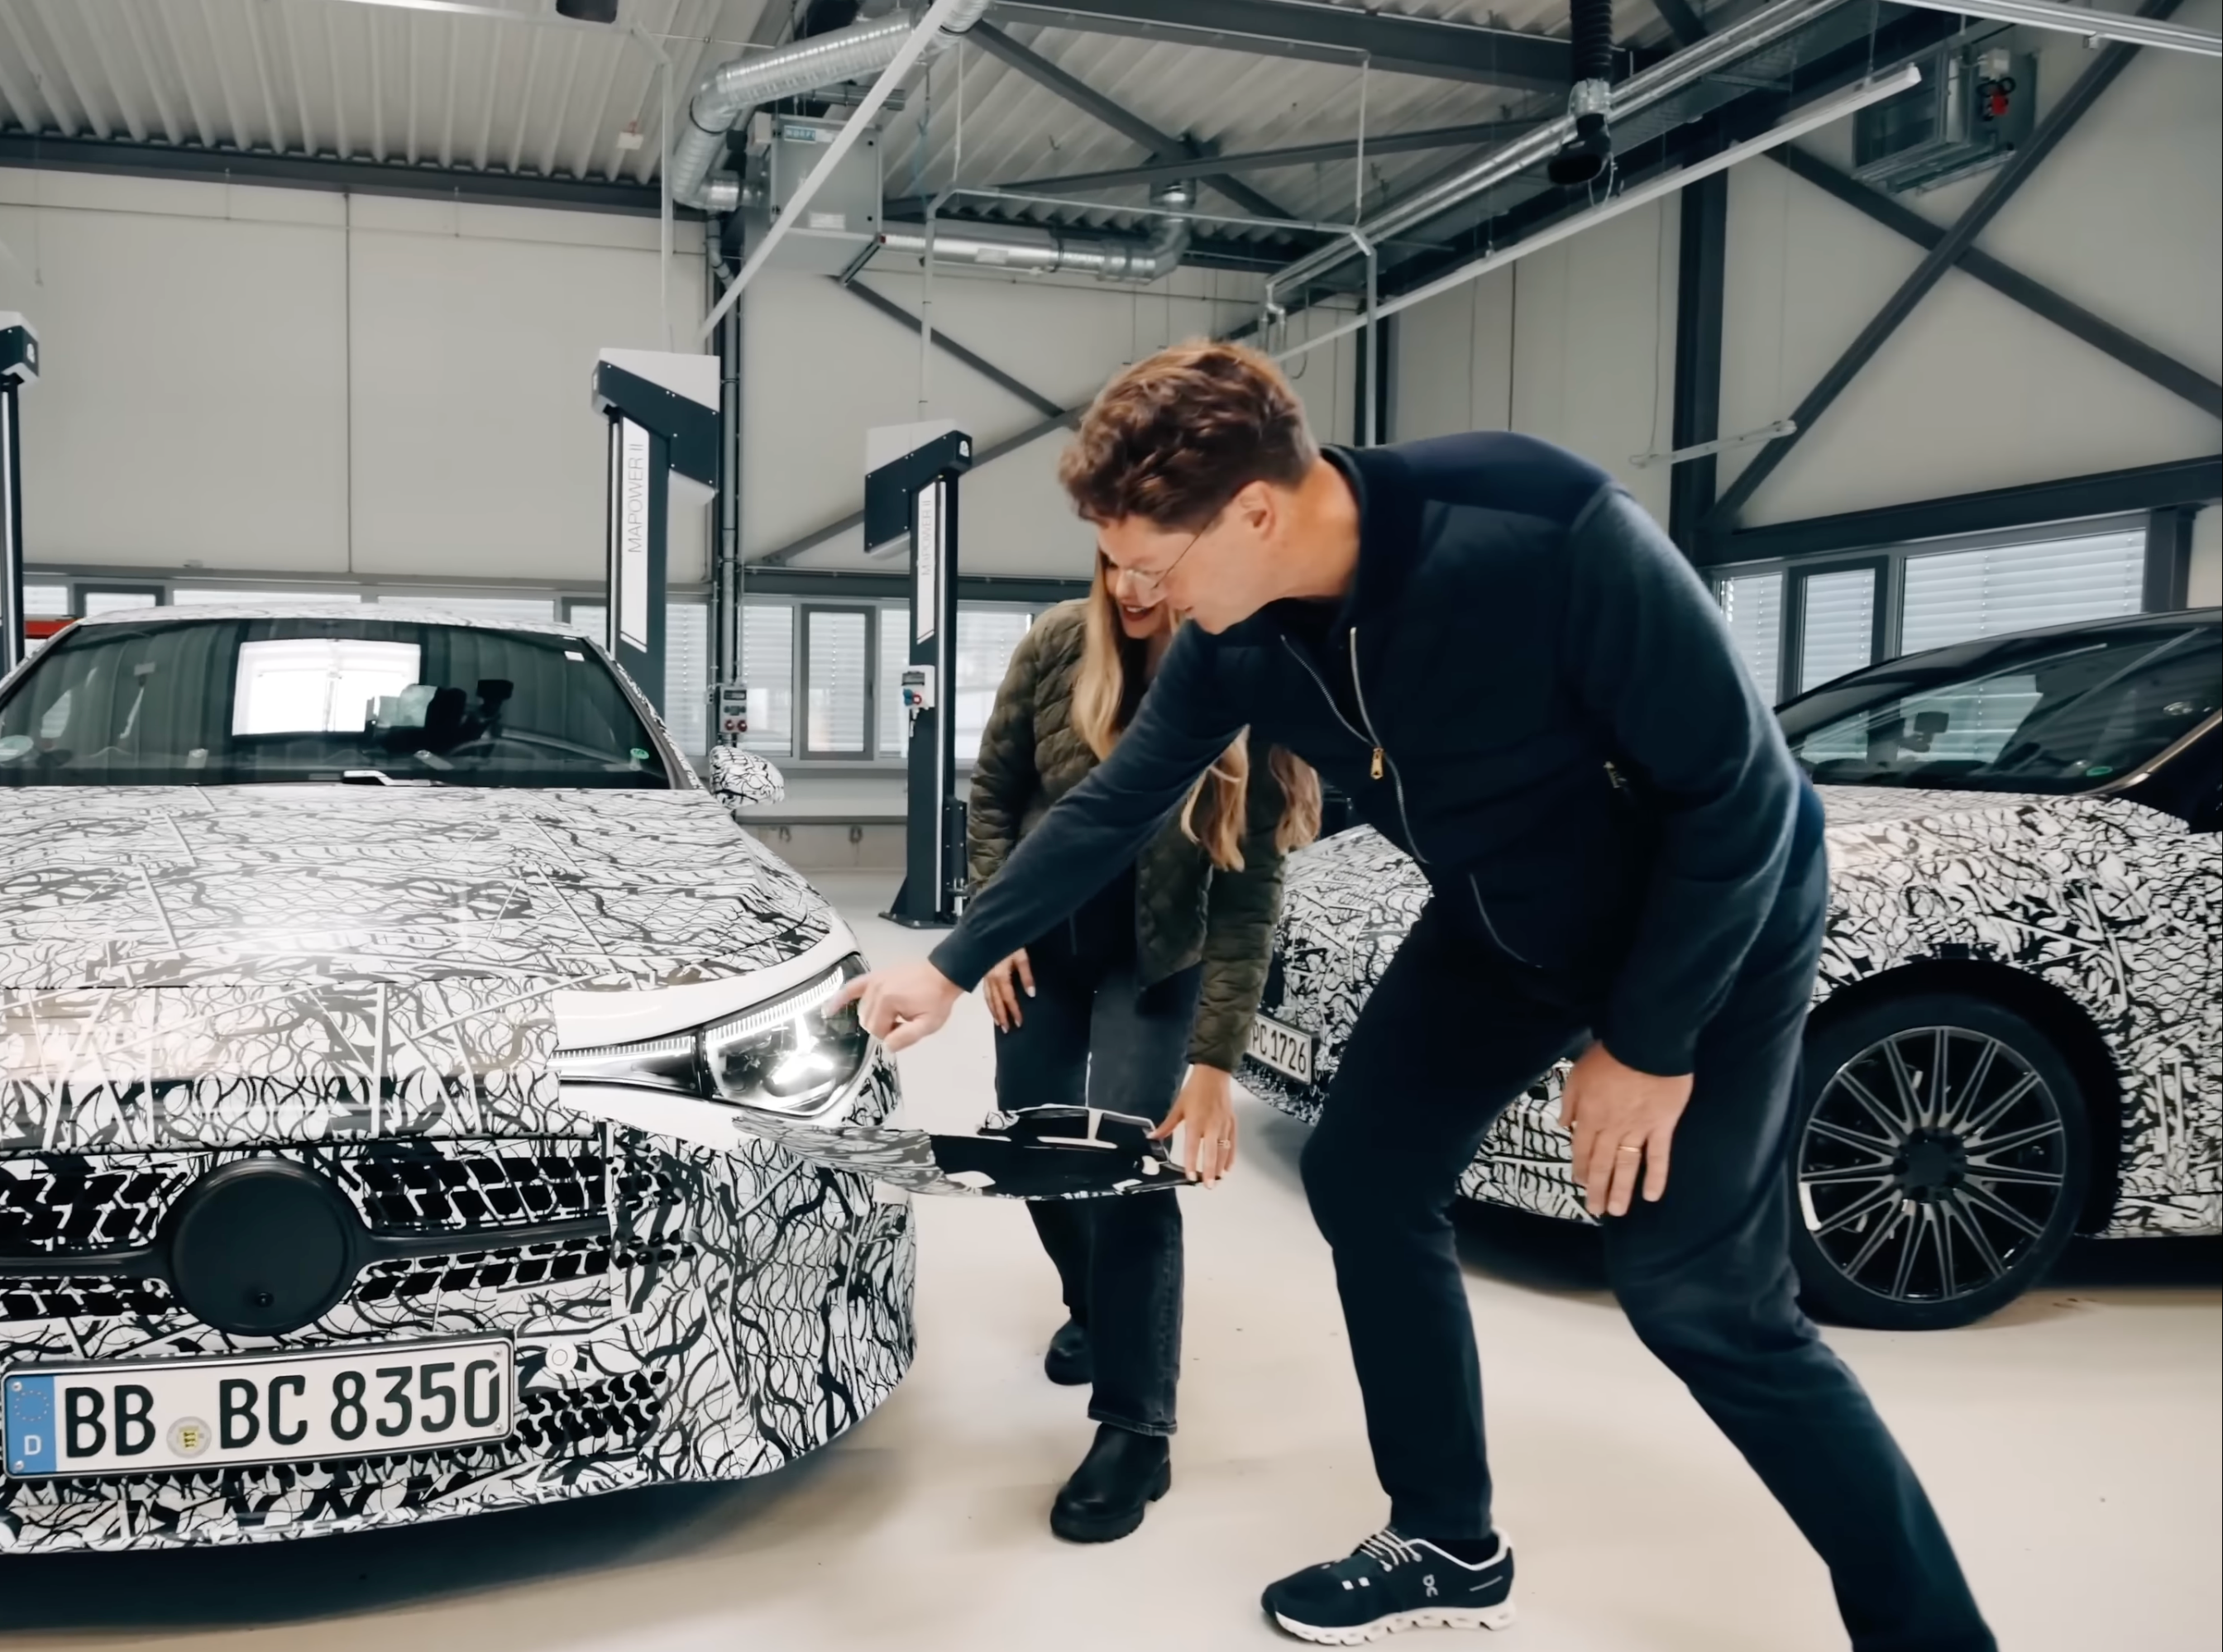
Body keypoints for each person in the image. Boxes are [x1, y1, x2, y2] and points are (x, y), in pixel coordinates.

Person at [837, 341, 1993, 1650]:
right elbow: (1119, 798)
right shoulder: (1242, 633)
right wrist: (948, 958)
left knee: (1700, 1300)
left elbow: (1742, 796)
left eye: (1156, 562)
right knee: (1368, 1178)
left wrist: (1649, 1038)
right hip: (1503, 924)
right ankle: (1448, 1530)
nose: (1140, 596)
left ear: (1257, 511)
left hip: (1708, 924)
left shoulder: (1540, 529)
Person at [966, 560, 1319, 1545]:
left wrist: (1213, 1069)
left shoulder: (1242, 677)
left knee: (1128, 1170)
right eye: (1116, 563)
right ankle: (1098, 1304)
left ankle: (1136, 1427)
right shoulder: (1057, 645)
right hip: (1044, 947)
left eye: (1156, 569)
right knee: (1033, 1152)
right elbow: (993, 795)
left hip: (1159, 964)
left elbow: (1248, 908)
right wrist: (995, 930)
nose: (1132, 585)